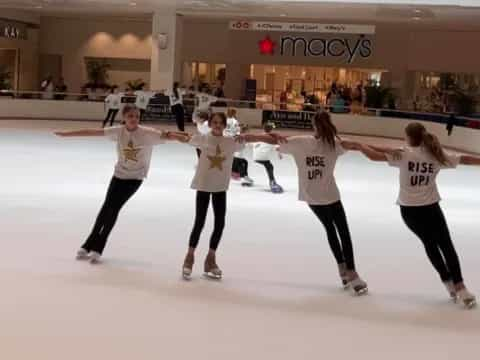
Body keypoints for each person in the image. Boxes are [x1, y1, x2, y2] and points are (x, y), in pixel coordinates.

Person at [354, 122, 479, 308]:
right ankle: (460, 287)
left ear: (409, 137)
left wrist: (358, 146)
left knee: (430, 245)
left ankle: (448, 283)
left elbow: (374, 156)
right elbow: (466, 159)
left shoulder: (403, 154)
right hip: (431, 209)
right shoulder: (436, 155)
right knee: (446, 245)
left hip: (409, 212)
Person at [54, 104, 188, 264]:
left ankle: (98, 246)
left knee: (113, 208)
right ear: (124, 118)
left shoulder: (147, 133)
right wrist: (66, 134)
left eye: (137, 117)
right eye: (131, 116)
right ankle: (88, 244)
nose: (134, 119)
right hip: (118, 176)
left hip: (135, 179)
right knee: (105, 208)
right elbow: (93, 132)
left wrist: (189, 138)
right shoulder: (118, 131)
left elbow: (170, 136)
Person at [275, 111, 368, 294]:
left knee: (331, 229)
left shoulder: (301, 142)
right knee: (343, 232)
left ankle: (343, 269)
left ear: (314, 126)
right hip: (330, 196)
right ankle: (351, 272)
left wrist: (276, 145)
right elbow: (351, 145)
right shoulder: (334, 144)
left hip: (314, 197)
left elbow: (279, 144)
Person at [182, 112, 283, 280]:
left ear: (224, 125)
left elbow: (250, 139)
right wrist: (165, 134)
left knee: (219, 223)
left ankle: (211, 259)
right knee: (199, 222)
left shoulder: (230, 141)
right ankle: (189, 257)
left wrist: (270, 136)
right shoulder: (203, 138)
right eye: (214, 122)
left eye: (220, 123)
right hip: (204, 185)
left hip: (220, 187)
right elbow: (183, 138)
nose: (217, 125)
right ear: (210, 123)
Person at [253, 122, 284, 193]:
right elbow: (277, 147)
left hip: (255, 156)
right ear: (271, 129)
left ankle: (272, 181)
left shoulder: (259, 135)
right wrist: (279, 154)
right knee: (270, 166)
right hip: (263, 157)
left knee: (269, 165)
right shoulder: (272, 138)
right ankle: (272, 182)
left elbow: (251, 143)